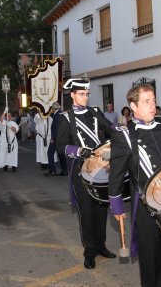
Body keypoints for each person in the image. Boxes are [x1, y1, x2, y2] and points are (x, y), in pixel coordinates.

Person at [108, 83, 161, 285]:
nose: (152, 106)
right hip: (145, 204)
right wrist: (116, 205)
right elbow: (116, 173)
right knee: (150, 256)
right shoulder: (124, 135)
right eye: (146, 102)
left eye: (153, 100)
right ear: (133, 106)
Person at [56, 78, 116, 269]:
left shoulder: (95, 112)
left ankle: (100, 246)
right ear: (72, 95)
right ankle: (89, 251)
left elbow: (109, 129)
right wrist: (78, 151)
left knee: (101, 209)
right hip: (81, 171)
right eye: (81, 94)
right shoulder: (65, 118)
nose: (85, 97)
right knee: (87, 212)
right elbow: (60, 146)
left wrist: (121, 130)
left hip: (100, 169)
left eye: (87, 94)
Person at [46, 102, 67, 176]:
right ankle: (64, 170)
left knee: (50, 153)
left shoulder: (57, 115)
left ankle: (52, 170)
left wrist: (53, 138)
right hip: (62, 138)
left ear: (53, 108)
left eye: (51, 108)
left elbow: (57, 128)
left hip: (56, 138)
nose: (51, 110)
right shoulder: (60, 113)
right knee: (61, 154)